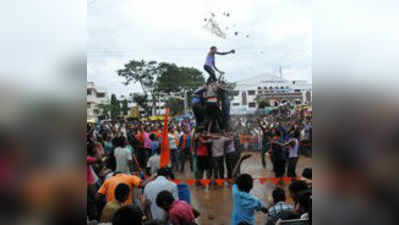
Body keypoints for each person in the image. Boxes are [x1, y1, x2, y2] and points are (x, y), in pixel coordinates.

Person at [231, 155, 268, 225]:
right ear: (251, 187)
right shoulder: (255, 200)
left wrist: (240, 159)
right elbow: (264, 210)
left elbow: (233, 175)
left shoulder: (236, 194)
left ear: (238, 185)